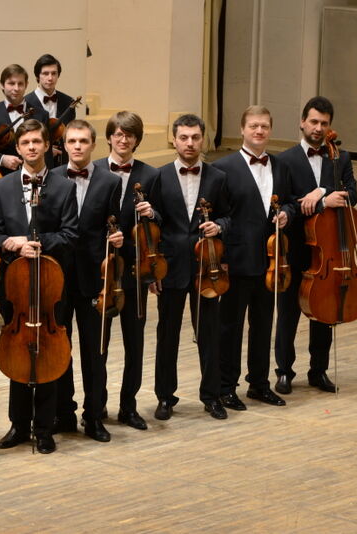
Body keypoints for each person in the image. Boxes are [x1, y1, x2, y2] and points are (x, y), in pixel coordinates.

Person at [0, 119, 78, 454]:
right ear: (18, 147)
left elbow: (70, 235)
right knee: (18, 351)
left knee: (48, 353)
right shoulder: (2, 186)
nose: (31, 148)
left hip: (51, 285)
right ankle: (18, 424)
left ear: (46, 146)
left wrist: (38, 243)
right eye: (25, 143)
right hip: (15, 284)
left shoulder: (65, 187)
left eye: (36, 142)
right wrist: (11, 244)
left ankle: (44, 428)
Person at [274, 96, 357, 394]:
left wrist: (322, 191)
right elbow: (283, 202)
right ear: (302, 122)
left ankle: (318, 371)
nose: (318, 128)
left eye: (324, 123)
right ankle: (284, 371)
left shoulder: (340, 158)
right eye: (313, 122)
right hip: (296, 247)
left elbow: (352, 195)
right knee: (288, 314)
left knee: (324, 312)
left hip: (329, 251)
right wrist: (321, 201)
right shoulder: (285, 160)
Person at [214, 106, 294, 411]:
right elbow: (219, 215)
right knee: (230, 328)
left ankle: (259, 384)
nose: (259, 131)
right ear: (242, 129)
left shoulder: (281, 166)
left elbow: (291, 202)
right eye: (253, 126)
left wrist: (287, 213)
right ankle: (226, 387)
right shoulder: (222, 167)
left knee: (262, 325)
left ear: (270, 130)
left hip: (271, 260)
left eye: (264, 126)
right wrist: (220, 258)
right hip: (235, 260)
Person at [149, 114, 229, 421]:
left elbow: (229, 216)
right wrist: (153, 270)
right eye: (183, 137)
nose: (190, 143)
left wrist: (219, 226)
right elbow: (153, 227)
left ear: (203, 139)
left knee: (210, 335)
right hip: (170, 268)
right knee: (167, 336)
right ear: (174, 140)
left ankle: (212, 396)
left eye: (195, 137)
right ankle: (165, 397)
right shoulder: (159, 177)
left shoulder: (217, 177)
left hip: (207, 267)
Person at [52, 119, 122, 442]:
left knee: (96, 352)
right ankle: (63, 413)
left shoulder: (110, 181)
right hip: (59, 277)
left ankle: (94, 417)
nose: (77, 146)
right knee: (60, 349)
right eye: (72, 141)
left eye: (83, 141)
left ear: (94, 144)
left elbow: (114, 223)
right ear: (64, 145)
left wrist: (119, 236)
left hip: (95, 277)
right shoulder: (52, 178)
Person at [92, 111, 159, 431]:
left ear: (136, 139)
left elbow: (163, 222)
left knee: (135, 344)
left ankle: (128, 407)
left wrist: (152, 212)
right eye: (118, 134)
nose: (123, 139)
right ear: (109, 137)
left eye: (129, 135)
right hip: (103, 269)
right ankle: (98, 404)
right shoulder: (93, 170)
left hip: (134, 269)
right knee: (99, 344)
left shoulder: (151, 175)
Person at [0, 64, 51, 175]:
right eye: (11, 83)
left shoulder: (42, 115)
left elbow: (47, 154)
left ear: (26, 85)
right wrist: (1, 159)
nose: (16, 88)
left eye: (20, 84)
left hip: (35, 176)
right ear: (2, 85)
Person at [24, 54, 77, 167]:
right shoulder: (25, 103)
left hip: (63, 164)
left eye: (54, 73)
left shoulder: (69, 102)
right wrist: (46, 151)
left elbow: (70, 135)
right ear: (37, 76)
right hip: (36, 164)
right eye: (45, 73)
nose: (50, 78)